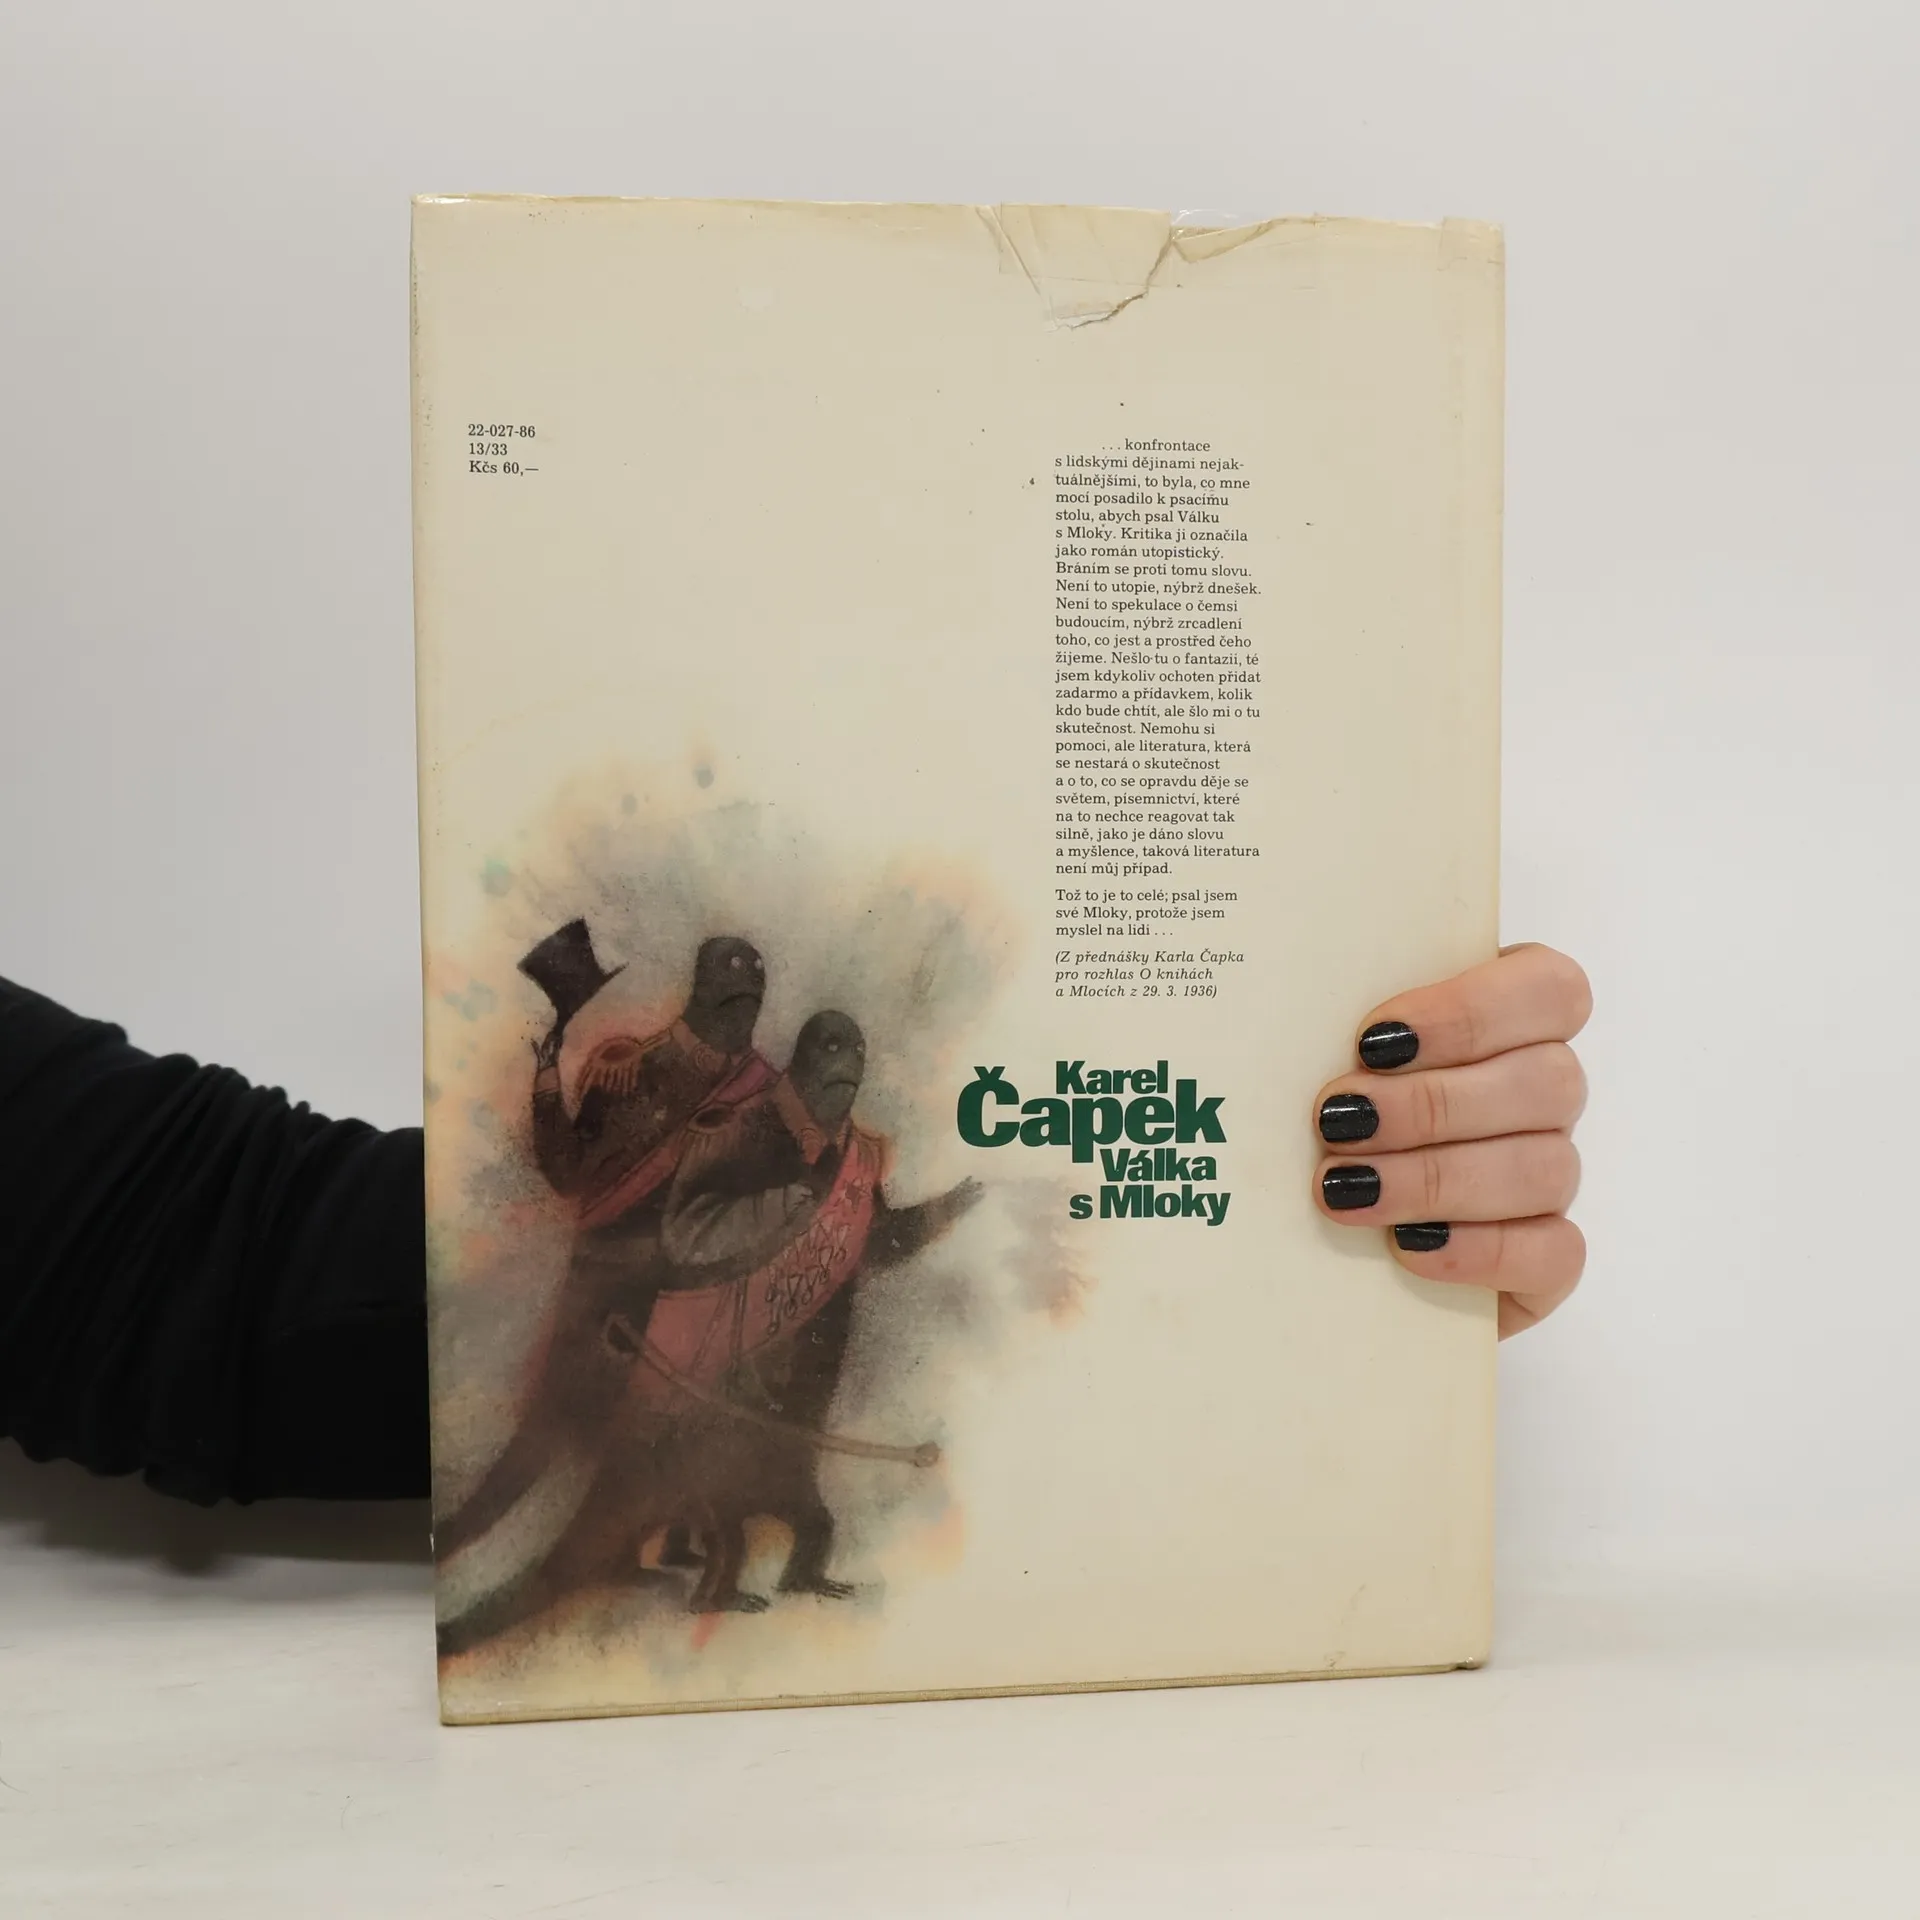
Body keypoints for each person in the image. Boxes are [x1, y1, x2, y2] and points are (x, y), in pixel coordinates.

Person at [0, 943, 1588, 1505]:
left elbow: (208, 1260)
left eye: (761, 1006)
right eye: (740, 999)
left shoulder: (796, 1116)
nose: (755, 1020)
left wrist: (1245, 1230)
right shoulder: (679, 1081)